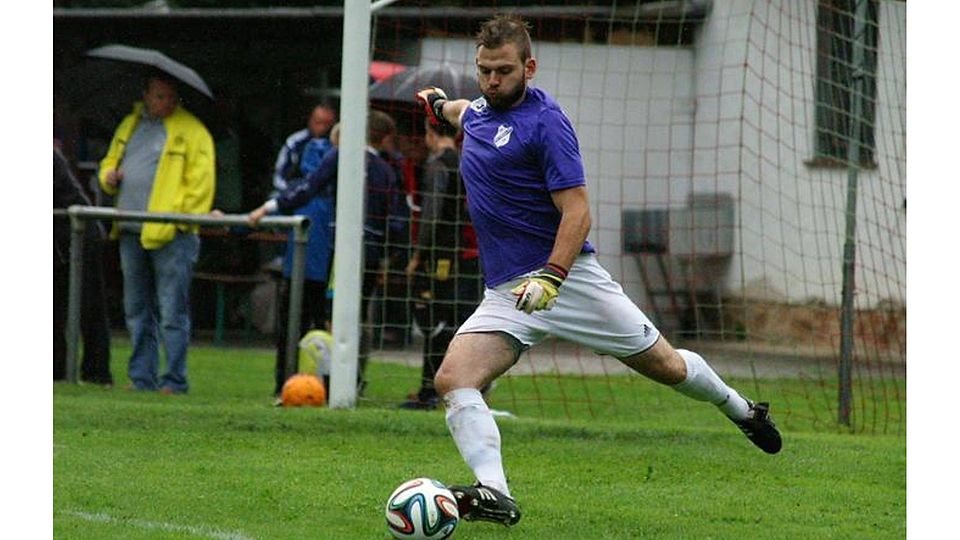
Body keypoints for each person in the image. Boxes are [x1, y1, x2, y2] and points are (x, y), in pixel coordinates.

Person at [415, 14, 782, 527]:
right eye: (484, 71)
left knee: (669, 369)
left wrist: (552, 276)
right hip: (506, 293)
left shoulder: (546, 123)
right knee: (453, 378)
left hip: (567, 283)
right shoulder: (477, 109)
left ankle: (740, 409)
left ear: (529, 66)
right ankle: (495, 492)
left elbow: (578, 210)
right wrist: (437, 104)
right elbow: (461, 112)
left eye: (502, 71)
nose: (492, 81)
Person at [249, 111, 402, 394]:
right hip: (369, 254)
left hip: (342, 252)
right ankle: (352, 381)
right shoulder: (386, 170)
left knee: (333, 318)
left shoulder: (340, 157)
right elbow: (394, 220)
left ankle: (333, 383)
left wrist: (270, 207)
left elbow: (307, 187)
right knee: (357, 317)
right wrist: (386, 255)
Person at [99, 73, 215, 394]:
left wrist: (180, 218)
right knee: (136, 308)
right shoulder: (129, 124)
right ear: (146, 95)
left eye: (170, 96)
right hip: (130, 228)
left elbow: (202, 181)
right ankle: (142, 378)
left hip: (171, 233)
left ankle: (174, 380)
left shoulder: (193, 132)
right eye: (160, 96)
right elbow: (109, 161)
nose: (165, 102)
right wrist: (108, 176)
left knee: (171, 310)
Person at [400, 119, 482, 410]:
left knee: (433, 319)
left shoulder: (438, 165)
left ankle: (429, 391)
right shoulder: (463, 162)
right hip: (460, 251)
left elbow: (431, 214)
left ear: (431, 133)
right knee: (450, 320)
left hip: (439, 254)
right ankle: (448, 387)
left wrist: (418, 255)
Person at [270, 117, 338, 403]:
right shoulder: (337, 194)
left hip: (298, 271)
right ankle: (331, 386)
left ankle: (284, 383)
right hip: (327, 273)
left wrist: (239, 222)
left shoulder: (301, 192)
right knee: (323, 330)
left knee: (291, 329)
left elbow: (276, 209)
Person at [54, 146, 114, 386]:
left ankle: (97, 373)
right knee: (54, 310)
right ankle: (56, 371)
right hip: (60, 238)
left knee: (90, 308)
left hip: (79, 235)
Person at [272, 105, 337, 195]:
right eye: (318, 122)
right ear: (310, 120)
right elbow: (279, 177)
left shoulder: (338, 144)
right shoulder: (296, 142)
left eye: (327, 124)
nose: (322, 128)